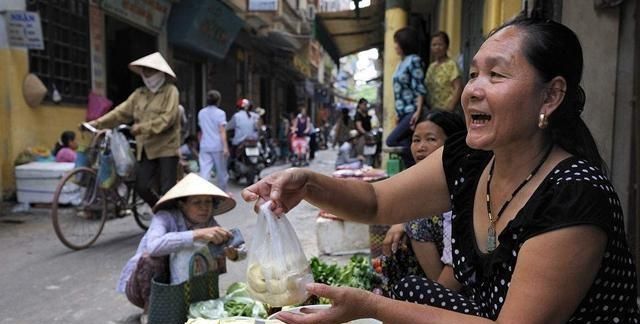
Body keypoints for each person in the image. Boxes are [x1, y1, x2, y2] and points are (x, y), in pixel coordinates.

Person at [242, 15, 640, 323]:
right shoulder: (470, 160)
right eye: (472, 75)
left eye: (496, 75)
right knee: (413, 290)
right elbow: (376, 201)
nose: (472, 91)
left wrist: (370, 306)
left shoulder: (573, 194)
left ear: (551, 95)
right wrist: (306, 182)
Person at [117, 173, 245, 324]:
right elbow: (153, 246)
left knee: (215, 245)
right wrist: (197, 234)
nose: (204, 208)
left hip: (187, 285)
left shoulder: (210, 222)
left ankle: (201, 300)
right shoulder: (165, 217)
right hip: (144, 287)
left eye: (208, 202)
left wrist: (234, 254)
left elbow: (239, 250)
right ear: (182, 204)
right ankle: (150, 310)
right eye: (197, 202)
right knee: (151, 258)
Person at [380, 110, 466, 295]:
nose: (420, 147)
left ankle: (437, 295)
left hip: (461, 282)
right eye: (416, 140)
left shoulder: (465, 182)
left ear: (453, 144)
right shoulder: (420, 182)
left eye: (431, 139)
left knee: (416, 222)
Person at [89, 52, 180, 207]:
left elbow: (168, 118)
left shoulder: (171, 91)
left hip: (166, 148)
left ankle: (171, 219)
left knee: (168, 190)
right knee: (141, 187)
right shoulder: (139, 94)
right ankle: (160, 210)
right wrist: (96, 123)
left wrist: (142, 127)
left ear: (160, 73)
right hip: (144, 148)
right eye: (144, 71)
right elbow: (120, 112)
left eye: (150, 71)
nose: (147, 74)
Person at [385, 27, 428, 168]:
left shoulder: (414, 60)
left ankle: (418, 168)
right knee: (407, 142)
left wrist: (418, 111)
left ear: (405, 43)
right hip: (403, 113)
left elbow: (419, 87)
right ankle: (414, 173)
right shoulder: (400, 64)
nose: (395, 46)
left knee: (391, 140)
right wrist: (398, 114)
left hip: (412, 111)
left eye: (397, 42)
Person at [198, 90, 230, 192]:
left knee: (204, 171)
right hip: (217, 146)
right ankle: (222, 193)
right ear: (218, 101)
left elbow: (201, 130)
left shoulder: (201, 113)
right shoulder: (221, 113)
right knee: (221, 172)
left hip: (205, 145)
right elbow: (222, 131)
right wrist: (225, 147)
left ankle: (203, 192)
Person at [425, 31, 463, 113]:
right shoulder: (431, 67)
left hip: (447, 112)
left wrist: (450, 108)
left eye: (440, 44)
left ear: (446, 46)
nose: (437, 48)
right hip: (433, 111)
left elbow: (458, 88)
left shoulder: (451, 65)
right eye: (434, 45)